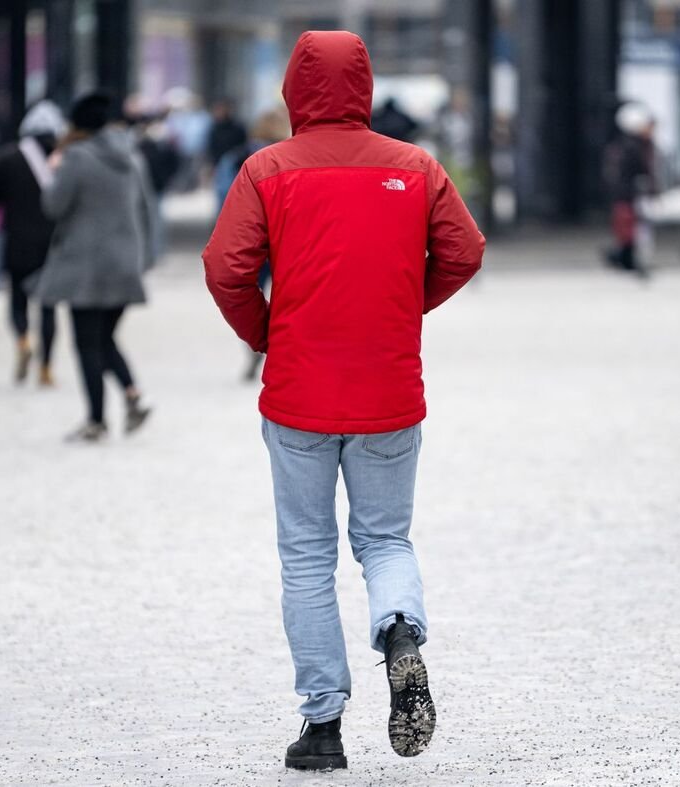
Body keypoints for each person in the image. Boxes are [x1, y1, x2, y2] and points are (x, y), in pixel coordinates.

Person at [203, 30, 484, 770]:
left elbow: (226, 268)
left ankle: (323, 725)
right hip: (389, 388)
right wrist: (403, 306)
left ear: (295, 89)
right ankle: (399, 629)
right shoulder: (416, 166)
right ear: (364, 86)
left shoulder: (266, 168)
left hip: (297, 394)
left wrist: (268, 334)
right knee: (386, 539)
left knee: (306, 556)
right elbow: (464, 250)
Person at [36, 92, 157, 442]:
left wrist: (53, 171)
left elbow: (53, 206)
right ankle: (133, 396)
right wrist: (145, 257)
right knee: (104, 337)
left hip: (85, 267)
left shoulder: (75, 158)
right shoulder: (132, 157)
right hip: (124, 264)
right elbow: (146, 210)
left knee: (87, 343)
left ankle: (96, 421)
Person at [0, 100, 66, 387]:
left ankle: (22, 340)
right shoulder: (64, 160)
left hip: (16, 242)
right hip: (52, 245)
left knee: (18, 300)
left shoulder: (8, 158)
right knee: (48, 307)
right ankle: (46, 367)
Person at [209, 108, 291, 381]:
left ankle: (256, 345)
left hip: (251, 240)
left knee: (248, 293)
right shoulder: (292, 161)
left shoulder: (236, 158)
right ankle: (283, 348)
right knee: (287, 298)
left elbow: (222, 195)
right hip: (284, 241)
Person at [604, 102, 657, 276]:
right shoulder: (634, 147)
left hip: (626, 195)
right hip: (631, 195)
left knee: (629, 230)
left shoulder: (621, 145)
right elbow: (644, 171)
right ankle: (628, 259)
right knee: (633, 230)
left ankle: (625, 258)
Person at [207, 98, 248, 175]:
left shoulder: (238, 127)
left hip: (235, 164)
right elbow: (211, 147)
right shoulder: (214, 128)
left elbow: (243, 145)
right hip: (219, 163)